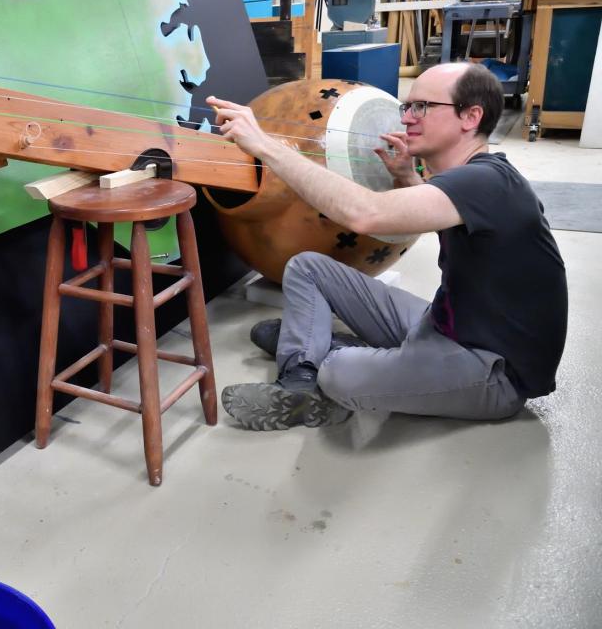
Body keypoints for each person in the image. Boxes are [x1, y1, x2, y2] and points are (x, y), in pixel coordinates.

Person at [206, 63, 567, 431]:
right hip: (448, 322)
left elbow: (366, 214)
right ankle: (300, 377)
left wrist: (265, 145)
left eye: (422, 107)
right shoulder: (472, 180)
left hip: (492, 368)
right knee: (308, 266)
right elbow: (439, 213)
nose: (408, 118)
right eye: (407, 107)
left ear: (471, 116)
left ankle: (324, 353)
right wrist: (407, 177)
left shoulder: (488, 182)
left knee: (337, 374)